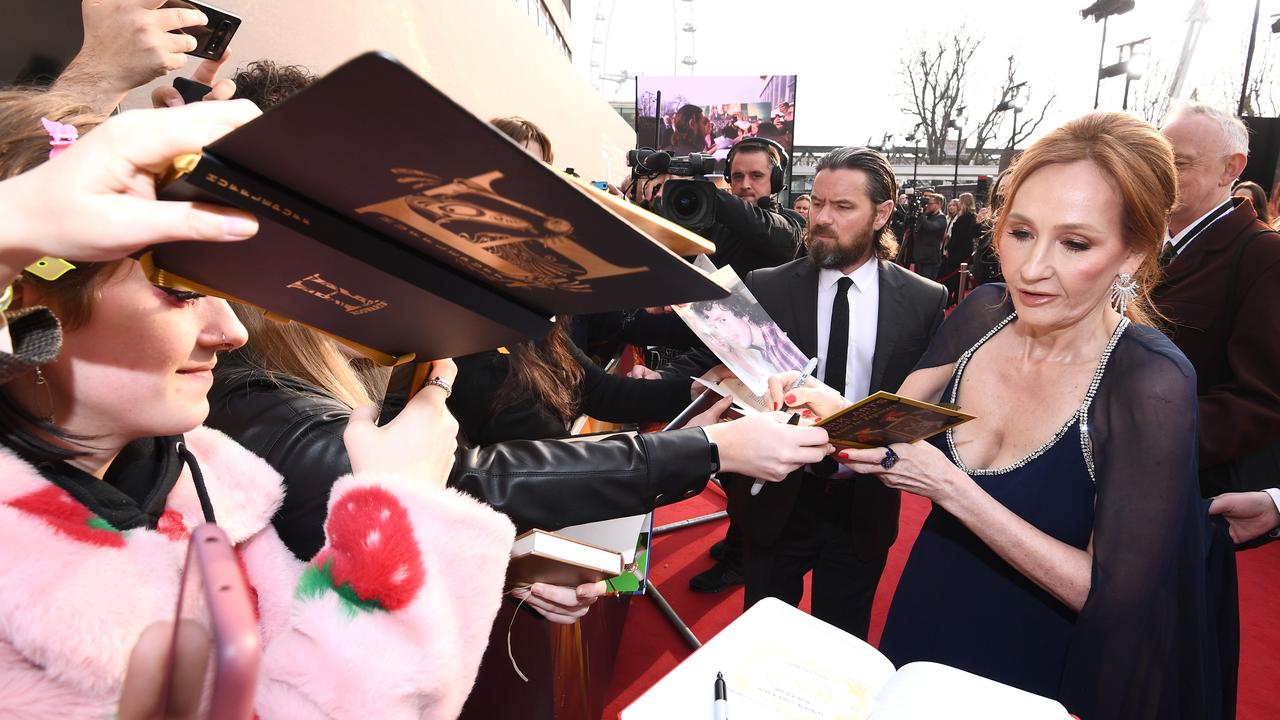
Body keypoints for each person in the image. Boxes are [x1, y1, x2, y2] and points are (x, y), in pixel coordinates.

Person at [0, 95, 515, 719]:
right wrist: (393, 522)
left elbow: (296, 685)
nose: (232, 332)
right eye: (183, 292)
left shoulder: (203, 480)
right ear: (21, 296)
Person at [779, 112, 1236, 719]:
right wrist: (830, 409)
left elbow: (1113, 596)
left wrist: (950, 488)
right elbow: (895, 426)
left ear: (1132, 255)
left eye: (1074, 243)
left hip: (1035, 655)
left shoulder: (1149, 380)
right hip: (930, 608)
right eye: (1020, 232)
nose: (1032, 268)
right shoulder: (983, 313)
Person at [672, 147, 947, 634]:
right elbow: (728, 369)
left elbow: (923, 405)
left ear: (882, 213)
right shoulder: (767, 285)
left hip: (865, 503)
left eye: (842, 207)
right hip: (778, 498)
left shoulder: (925, 300)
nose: (821, 218)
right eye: (816, 202)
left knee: (841, 645)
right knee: (761, 640)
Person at [1151, 104, 1280, 508]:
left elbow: (1262, 400)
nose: (1161, 174)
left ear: (1231, 169)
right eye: (1158, 160)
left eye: (1180, 162)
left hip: (1188, 494)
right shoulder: (1143, 248)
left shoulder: (1264, 257)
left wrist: (1137, 436)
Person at [940, 192, 979, 305]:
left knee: (952, 276)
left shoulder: (964, 218)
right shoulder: (972, 216)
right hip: (965, 250)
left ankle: (950, 300)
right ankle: (957, 298)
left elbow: (957, 237)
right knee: (957, 277)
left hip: (958, 251)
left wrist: (948, 248)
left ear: (964, 203)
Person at [911, 192, 946, 280]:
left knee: (927, 285)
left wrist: (921, 214)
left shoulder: (941, 218)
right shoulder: (927, 216)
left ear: (938, 204)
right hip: (920, 256)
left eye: (930, 204)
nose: (927, 206)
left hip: (930, 259)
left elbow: (930, 227)